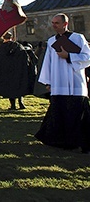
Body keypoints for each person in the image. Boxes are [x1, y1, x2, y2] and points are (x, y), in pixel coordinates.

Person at [35, 13, 90, 152]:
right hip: (58, 82)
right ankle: (59, 141)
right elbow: (48, 62)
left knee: (76, 114)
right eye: (53, 23)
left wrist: (69, 56)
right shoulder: (52, 40)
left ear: (65, 24)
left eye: (57, 23)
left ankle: (77, 141)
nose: (54, 25)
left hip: (75, 82)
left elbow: (87, 57)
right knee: (59, 113)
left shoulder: (78, 38)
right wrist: (48, 81)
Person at [0, 31, 37, 109]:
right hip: (18, 71)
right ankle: (21, 103)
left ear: (3, 38)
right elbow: (25, 58)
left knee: (10, 89)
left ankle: (13, 105)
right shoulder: (18, 46)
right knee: (19, 87)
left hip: (7, 72)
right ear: (12, 37)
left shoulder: (2, 48)